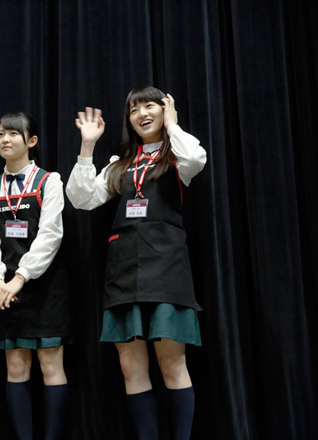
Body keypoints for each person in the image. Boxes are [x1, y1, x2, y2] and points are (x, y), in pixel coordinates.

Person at [66, 87, 206, 440]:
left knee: (171, 363)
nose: (142, 114)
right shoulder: (120, 163)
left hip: (166, 268)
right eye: (134, 109)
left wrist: (172, 124)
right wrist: (87, 146)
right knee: (131, 367)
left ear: (164, 110)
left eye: (150, 106)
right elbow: (82, 199)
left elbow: (196, 158)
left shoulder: (177, 155)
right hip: (124, 270)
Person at [0, 113, 71, 440]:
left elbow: (51, 235)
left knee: (50, 366)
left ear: (31, 141)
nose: (5, 139)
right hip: (5, 290)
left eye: (13, 134)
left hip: (44, 286)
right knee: (16, 368)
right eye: (1, 134)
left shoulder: (49, 181)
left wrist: (21, 277)